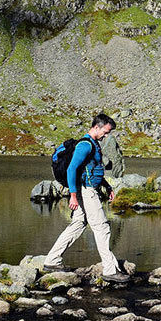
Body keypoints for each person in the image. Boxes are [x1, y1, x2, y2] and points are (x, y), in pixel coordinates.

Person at [43, 113, 129, 283]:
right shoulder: (85, 145)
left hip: (90, 189)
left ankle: (51, 260)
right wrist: (73, 196)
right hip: (86, 192)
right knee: (102, 227)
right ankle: (110, 270)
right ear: (96, 127)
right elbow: (71, 170)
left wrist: (106, 185)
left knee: (78, 224)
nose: (107, 136)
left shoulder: (94, 144)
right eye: (106, 131)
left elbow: (93, 169)